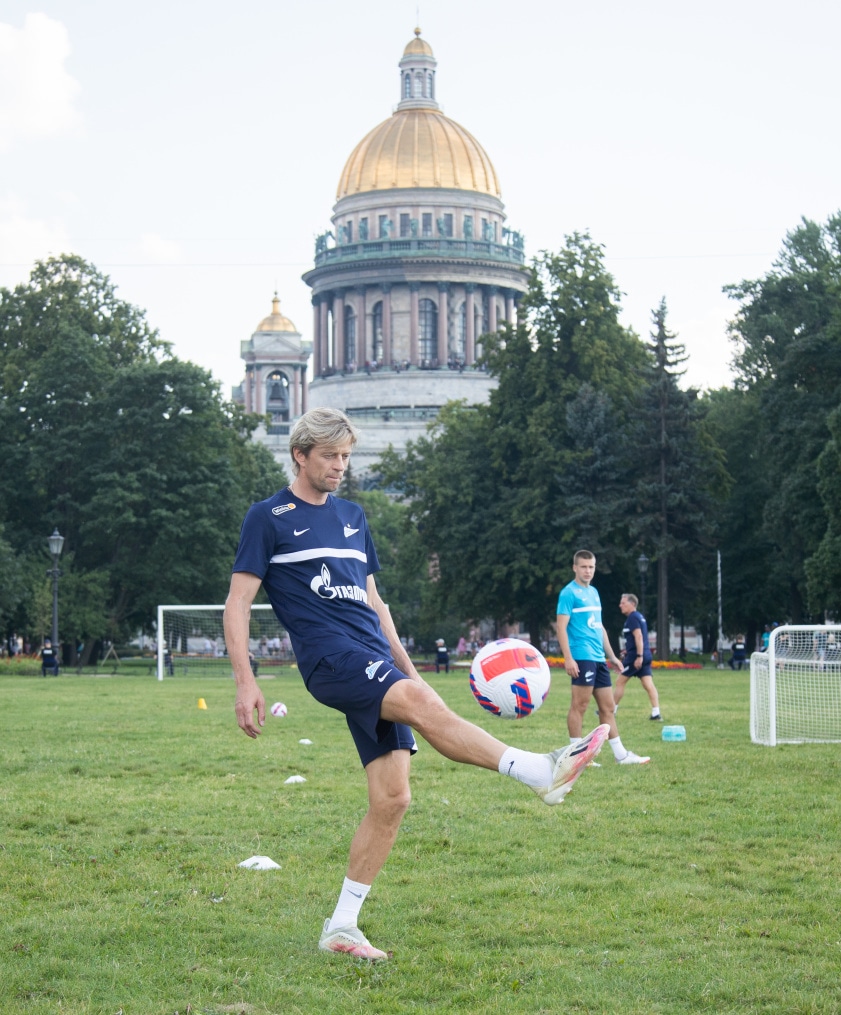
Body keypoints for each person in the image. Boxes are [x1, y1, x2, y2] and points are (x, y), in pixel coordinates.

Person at [224, 407, 610, 962]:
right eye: (330, 456)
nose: (340, 466)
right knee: (413, 711)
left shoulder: (355, 516)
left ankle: (342, 927)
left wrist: (408, 668)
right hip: (331, 660)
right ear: (300, 455)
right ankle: (538, 771)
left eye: (347, 456)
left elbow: (376, 603)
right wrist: (245, 681)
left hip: (373, 655)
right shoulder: (269, 517)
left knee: (393, 798)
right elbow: (238, 603)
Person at [556, 550, 650, 765]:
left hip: (598, 658)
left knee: (607, 707)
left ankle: (621, 755)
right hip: (581, 656)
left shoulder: (595, 592)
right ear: (575, 568)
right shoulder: (568, 593)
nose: (588, 571)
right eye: (584, 567)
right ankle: (577, 756)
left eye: (591, 567)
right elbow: (561, 628)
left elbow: (600, 628)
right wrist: (568, 658)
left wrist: (613, 657)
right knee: (579, 706)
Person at [614, 594, 662, 720]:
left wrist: (638, 656)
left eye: (623, 603)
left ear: (632, 604)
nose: (620, 605)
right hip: (644, 654)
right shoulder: (639, 617)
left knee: (619, 682)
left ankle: (611, 710)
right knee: (648, 684)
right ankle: (656, 713)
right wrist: (628, 650)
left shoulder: (632, 618)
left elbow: (639, 637)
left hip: (636, 657)